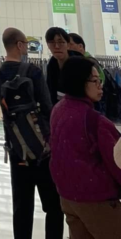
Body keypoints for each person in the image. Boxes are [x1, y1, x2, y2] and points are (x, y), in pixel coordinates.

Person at [0, 27, 63, 239]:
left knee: (22, 208)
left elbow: (6, 113)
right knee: (53, 205)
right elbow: (48, 107)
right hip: (43, 150)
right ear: (20, 45)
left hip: (17, 150)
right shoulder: (33, 72)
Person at [49, 55, 121, 237]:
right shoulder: (95, 121)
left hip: (67, 197)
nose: (100, 85)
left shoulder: (58, 109)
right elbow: (117, 162)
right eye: (95, 81)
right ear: (79, 81)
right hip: (97, 200)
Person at [45, 27, 73, 107]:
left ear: (68, 45)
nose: (56, 46)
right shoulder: (51, 65)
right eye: (52, 42)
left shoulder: (79, 64)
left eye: (61, 42)